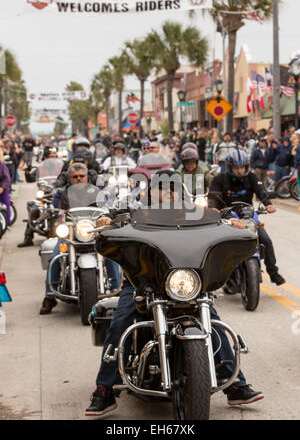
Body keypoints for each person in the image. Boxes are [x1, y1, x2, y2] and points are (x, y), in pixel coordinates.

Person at [85, 170, 264, 417]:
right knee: (120, 322)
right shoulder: (134, 209)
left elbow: (218, 218)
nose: (167, 193)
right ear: (150, 190)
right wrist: (105, 219)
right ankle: (104, 390)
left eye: (172, 188)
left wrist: (233, 223)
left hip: (182, 281)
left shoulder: (194, 211)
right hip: (142, 282)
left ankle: (234, 384)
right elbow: (111, 216)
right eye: (162, 187)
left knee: (213, 322)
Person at [39, 163, 121, 315]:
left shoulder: (97, 192)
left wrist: (111, 212)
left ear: (87, 177)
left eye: (81, 176)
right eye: (75, 177)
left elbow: (107, 207)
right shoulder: (62, 193)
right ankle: (49, 296)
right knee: (55, 257)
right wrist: (52, 211)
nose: (79, 179)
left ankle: (117, 291)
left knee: (111, 254)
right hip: (71, 233)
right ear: (69, 178)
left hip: (92, 231)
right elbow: (55, 209)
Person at [208, 149, 286, 286]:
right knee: (219, 244)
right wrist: (213, 207)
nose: (239, 170)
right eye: (236, 167)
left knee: (266, 240)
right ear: (230, 167)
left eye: (242, 167)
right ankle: (218, 276)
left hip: (247, 215)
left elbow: (260, 190)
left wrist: (268, 204)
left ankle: (273, 273)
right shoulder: (220, 179)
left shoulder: (251, 177)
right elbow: (213, 197)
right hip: (227, 216)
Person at [0, 151, 11, 228]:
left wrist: (2, 188)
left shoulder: (2, 165)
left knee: (6, 206)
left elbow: (7, 178)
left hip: (2, 190)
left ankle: (7, 224)